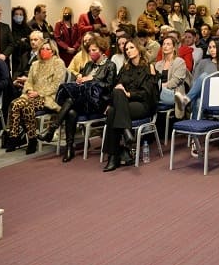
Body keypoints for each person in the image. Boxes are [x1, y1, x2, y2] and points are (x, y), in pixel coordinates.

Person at [54, 36, 117, 162]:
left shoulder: (110, 65)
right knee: (71, 112)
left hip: (99, 101)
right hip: (84, 100)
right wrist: (80, 80)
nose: (91, 53)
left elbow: (109, 87)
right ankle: (69, 147)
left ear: (101, 50)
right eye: (89, 50)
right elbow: (83, 85)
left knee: (70, 101)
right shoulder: (88, 65)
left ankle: (53, 128)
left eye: (94, 50)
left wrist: (93, 80)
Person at [102, 39, 158, 172]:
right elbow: (116, 88)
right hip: (125, 105)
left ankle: (113, 157)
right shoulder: (125, 68)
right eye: (126, 49)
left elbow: (149, 93)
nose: (128, 51)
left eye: (131, 47)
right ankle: (125, 132)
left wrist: (129, 94)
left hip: (142, 105)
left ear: (139, 49)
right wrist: (117, 97)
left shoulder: (149, 67)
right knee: (115, 100)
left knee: (113, 112)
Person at [5, 39, 67, 153]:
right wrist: (29, 90)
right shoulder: (35, 64)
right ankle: (13, 137)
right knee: (14, 104)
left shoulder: (58, 63)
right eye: (42, 49)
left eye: (47, 49)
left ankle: (32, 139)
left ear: (53, 51)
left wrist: (39, 93)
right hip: (31, 95)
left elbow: (57, 85)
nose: (44, 51)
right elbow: (29, 81)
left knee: (26, 106)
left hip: (48, 97)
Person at [155, 35, 190, 118]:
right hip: (159, 93)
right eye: (164, 44)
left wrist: (160, 87)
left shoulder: (179, 62)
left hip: (173, 93)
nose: (165, 46)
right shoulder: (158, 64)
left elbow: (175, 81)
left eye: (168, 44)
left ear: (174, 48)